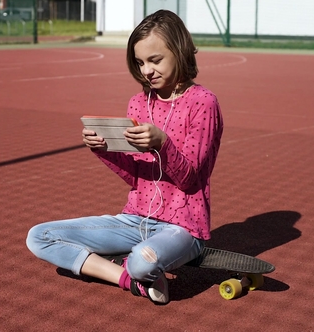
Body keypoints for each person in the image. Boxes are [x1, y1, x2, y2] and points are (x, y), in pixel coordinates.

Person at [26, 10, 223, 304]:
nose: (147, 71)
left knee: (143, 261)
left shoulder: (203, 103)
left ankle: (136, 268)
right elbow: (135, 176)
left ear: (180, 51)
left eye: (155, 60)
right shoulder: (137, 103)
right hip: (133, 220)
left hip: (182, 227)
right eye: (140, 62)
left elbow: (189, 178)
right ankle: (127, 279)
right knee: (39, 237)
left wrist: (162, 143)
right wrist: (103, 150)